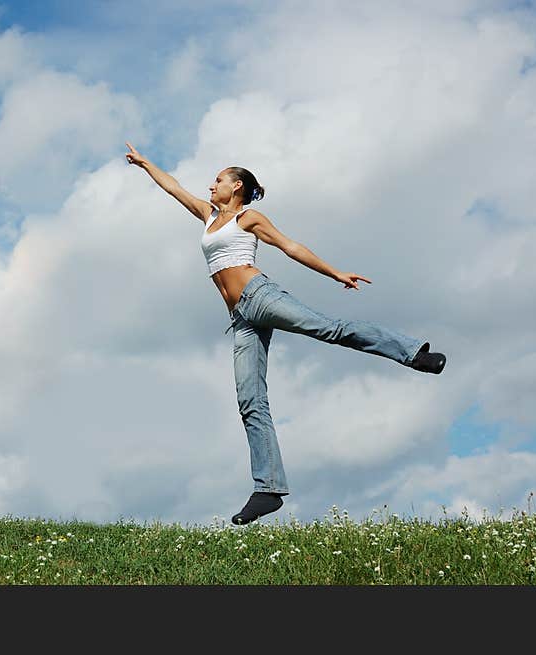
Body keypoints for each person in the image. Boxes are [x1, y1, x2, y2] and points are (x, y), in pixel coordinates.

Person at [124, 142, 446, 525]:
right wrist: (146, 164)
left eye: (218, 180)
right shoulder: (208, 215)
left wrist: (335, 273)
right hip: (241, 317)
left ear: (238, 186)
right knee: (250, 400)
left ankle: (413, 353)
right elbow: (174, 188)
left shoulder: (248, 218)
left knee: (330, 329)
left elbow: (291, 246)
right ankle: (268, 489)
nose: (211, 186)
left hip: (261, 296)